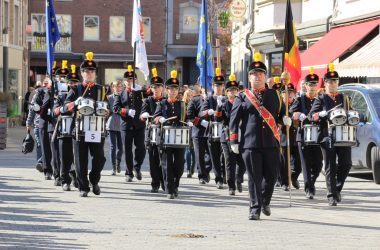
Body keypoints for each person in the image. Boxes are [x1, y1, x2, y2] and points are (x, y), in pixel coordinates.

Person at [229, 52, 290, 220]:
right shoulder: (242, 97)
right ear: (249, 77)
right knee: (254, 178)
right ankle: (254, 208)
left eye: (260, 73)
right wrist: (234, 139)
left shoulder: (275, 94)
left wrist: (285, 119)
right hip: (250, 144)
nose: (257, 76)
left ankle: (265, 200)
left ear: (265, 76)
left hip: (271, 143)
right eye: (254, 74)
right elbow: (234, 120)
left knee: (272, 176)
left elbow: (280, 114)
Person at [62, 52, 107, 197]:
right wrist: (75, 103)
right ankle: (83, 187)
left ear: (95, 74)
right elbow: (63, 108)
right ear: (82, 73)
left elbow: (108, 108)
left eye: (92, 71)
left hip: (97, 128)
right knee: (81, 160)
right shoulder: (76, 89)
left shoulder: (102, 90)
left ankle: (94, 180)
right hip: (80, 130)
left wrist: (107, 111)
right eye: (87, 71)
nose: (89, 74)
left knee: (100, 158)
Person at [309, 63, 352, 206]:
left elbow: (351, 112)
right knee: (330, 166)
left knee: (346, 164)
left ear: (338, 82)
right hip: (327, 136)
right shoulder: (320, 99)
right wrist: (319, 114)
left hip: (343, 135)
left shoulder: (344, 98)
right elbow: (311, 116)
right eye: (329, 82)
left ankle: (337, 188)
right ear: (325, 83)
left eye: (335, 81)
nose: (332, 84)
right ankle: (331, 195)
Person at [154, 70, 192, 199]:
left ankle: (175, 184)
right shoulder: (162, 103)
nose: (173, 91)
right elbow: (156, 117)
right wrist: (160, 119)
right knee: (167, 164)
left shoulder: (182, 104)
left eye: (175, 89)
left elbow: (187, 117)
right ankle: (170, 189)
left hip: (180, 137)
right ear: (167, 90)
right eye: (171, 89)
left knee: (180, 165)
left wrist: (189, 122)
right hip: (165, 137)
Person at [113, 65, 150, 182]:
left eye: (132, 79)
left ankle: (137, 166)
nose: (129, 82)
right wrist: (127, 111)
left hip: (139, 125)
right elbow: (116, 108)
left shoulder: (141, 92)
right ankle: (129, 173)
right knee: (127, 150)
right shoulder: (120, 94)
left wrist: (143, 89)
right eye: (127, 80)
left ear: (136, 80)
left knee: (141, 148)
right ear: (124, 82)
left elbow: (151, 93)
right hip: (126, 125)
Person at [290, 67, 323, 199]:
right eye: (310, 84)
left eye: (315, 84)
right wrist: (297, 114)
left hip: (319, 136)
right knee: (306, 164)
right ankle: (309, 189)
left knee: (318, 165)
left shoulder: (321, 99)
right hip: (303, 136)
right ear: (306, 86)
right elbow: (291, 112)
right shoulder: (300, 99)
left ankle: (311, 182)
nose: (313, 87)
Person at [215, 73, 246, 195]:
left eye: (235, 91)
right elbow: (218, 120)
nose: (233, 93)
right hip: (227, 136)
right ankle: (231, 186)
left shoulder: (242, 103)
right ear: (226, 93)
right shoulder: (224, 105)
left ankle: (239, 179)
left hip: (241, 136)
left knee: (242, 162)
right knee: (230, 162)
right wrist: (218, 107)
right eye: (230, 91)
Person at [54, 64, 80, 191]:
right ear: (67, 83)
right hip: (65, 130)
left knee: (78, 158)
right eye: (71, 82)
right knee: (65, 157)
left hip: (79, 130)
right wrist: (66, 108)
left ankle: (77, 177)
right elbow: (55, 111)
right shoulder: (61, 96)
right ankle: (65, 180)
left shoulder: (82, 96)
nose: (73, 85)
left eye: (75, 83)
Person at [140, 68, 165, 193]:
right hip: (152, 133)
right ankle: (155, 182)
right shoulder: (148, 100)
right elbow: (142, 114)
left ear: (162, 88)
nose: (156, 89)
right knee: (153, 160)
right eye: (154, 87)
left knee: (164, 159)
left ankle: (164, 180)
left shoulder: (165, 101)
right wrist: (144, 115)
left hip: (164, 134)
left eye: (158, 86)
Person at [200, 68, 226, 189]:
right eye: (217, 85)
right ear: (213, 86)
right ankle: (218, 178)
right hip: (212, 131)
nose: (219, 88)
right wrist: (207, 112)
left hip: (225, 131)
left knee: (226, 156)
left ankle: (226, 176)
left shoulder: (227, 98)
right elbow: (202, 112)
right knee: (215, 157)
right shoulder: (209, 99)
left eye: (221, 85)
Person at [279, 83, 301, 191]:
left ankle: (294, 177)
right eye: (286, 93)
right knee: (284, 162)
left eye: (291, 92)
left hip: (296, 137)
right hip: (284, 136)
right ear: (282, 94)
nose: (289, 95)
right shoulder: (280, 106)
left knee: (299, 163)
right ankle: (284, 182)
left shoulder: (298, 103)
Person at [187, 84, 210, 184]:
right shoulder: (194, 100)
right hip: (198, 131)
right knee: (199, 155)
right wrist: (200, 122)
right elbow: (190, 115)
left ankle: (207, 170)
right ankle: (202, 176)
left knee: (210, 155)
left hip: (210, 131)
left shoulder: (211, 99)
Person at [106, 80, 124, 175]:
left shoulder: (124, 97)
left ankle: (118, 162)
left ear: (122, 87)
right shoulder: (109, 98)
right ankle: (113, 167)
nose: (117, 88)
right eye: (115, 87)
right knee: (113, 146)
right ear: (112, 88)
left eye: (119, 86)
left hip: (121, 123)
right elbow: (107, 110)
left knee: (120, 147)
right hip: (111, 123)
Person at [26, 81, 43, 173]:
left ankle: (47, 163)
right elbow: (32, 110)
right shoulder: (37, 94)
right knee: (40, 144)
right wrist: (28, 123)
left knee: (47, 146)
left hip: (50, 125)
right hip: (37, 124)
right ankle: (40, 162)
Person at [182, 88, 195, 178]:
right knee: (188, 150)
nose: (189, 97)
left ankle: (192, 167)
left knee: (194, 151)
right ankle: (188, 169)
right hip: (186, 127)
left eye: (191, 95)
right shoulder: (183, 104)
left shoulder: (195, 104)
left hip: (194, 127)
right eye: (188, 95)